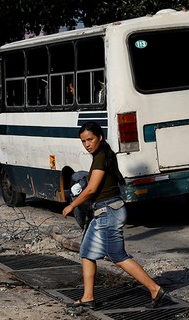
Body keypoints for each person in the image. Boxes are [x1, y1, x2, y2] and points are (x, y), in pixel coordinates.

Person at [60, 122, 165, 309]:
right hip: (103, 212)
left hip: (109, 212)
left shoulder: (101, 157)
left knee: (118, 256)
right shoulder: (102, 154)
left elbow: (92, 188)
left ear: (100, 137)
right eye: (83, 141)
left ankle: (155, 289)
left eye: (90, 139)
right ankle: (88, 297)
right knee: (86, 253)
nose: (87, 144)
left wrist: (72, 205)